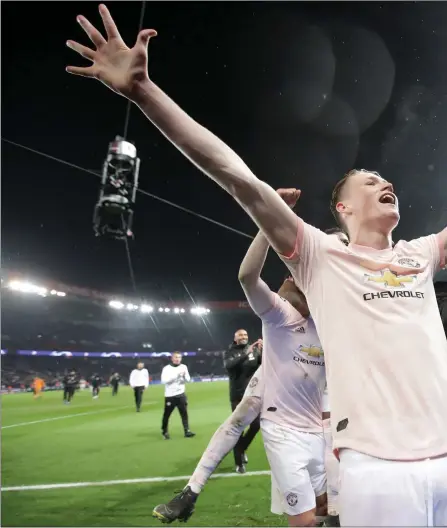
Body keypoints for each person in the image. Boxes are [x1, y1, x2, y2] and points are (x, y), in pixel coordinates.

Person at [66, 8, 447, 525]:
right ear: (343, 208)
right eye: (368, 177)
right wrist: (144, 93)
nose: (384, 181)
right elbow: (236, 176)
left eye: (386, 178)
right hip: (378, 469)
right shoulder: (319, 254)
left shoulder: (420, 252)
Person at [153, 365, 264, 524]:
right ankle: (190, 493)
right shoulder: (269, 359)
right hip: (278, 366)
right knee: (236, 422)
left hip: (308, 381)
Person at [223, 330, 262, 473]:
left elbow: (264, 364)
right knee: (238, 429)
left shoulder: (254, 350)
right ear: (235, 338)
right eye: (241, 335)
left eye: (246, 335)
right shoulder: (230, 352)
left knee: (256, 425)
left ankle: (242, 449)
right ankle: (239, 463)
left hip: (252, 393)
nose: (244, 337)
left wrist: (264, 350)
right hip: (237, 395)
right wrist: (246, 353)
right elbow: (230, 366)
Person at [161, 352, 195, 439]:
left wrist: (183, 377)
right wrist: (176, 376)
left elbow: (188, 379)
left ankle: (187, 431)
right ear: (172, 358)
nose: (177, 359)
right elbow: (164, 381)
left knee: (184, 413)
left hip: (181, 394)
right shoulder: (167, 369)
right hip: (170, 395)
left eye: (179, 357)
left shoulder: (183, 367)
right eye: (176, 357)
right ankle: (165, 431)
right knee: (167, 414)